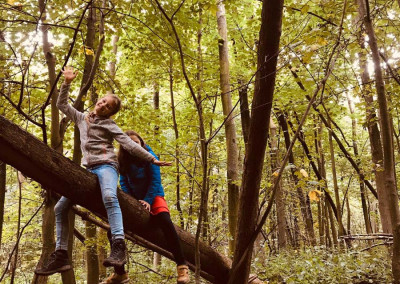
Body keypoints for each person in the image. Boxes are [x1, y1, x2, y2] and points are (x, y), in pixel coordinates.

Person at [35, 67, 171, 276]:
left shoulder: (110, 125)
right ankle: (61, 254)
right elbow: (61, 104)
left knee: (109, 195)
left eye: (108, 106)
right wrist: (67, 83)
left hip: (107, 166)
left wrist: (151, 158)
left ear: (110, 113)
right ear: (98, 101)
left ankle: (118, 245)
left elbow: (128, 143)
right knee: (60, 208)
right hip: (87, 168)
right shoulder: (82, 118)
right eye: (103, 101)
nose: (103, 105)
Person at [100, 130, 190, 284]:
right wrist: (132, 202)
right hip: (135, 200)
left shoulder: (150, 155)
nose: (134, 145)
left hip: (154, 196)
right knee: (112, 231)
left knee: (166, 223)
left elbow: (155, 181)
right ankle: (120, 273)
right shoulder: (123, 160)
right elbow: (124, 183)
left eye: (137, 142)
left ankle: (182, 266)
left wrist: (148, 200)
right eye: (130, 143)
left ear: (141, 142)